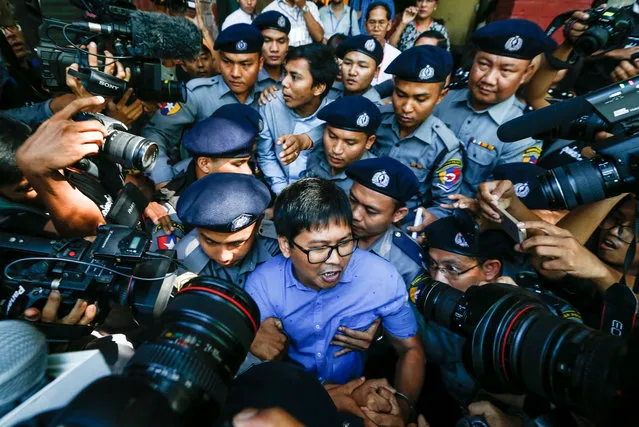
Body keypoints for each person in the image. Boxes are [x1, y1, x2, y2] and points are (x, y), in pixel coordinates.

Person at [245, 177, 425, 421]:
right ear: (286, 246)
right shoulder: (262, 286)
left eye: (344, 243)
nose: (335, 260)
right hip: (289, 404)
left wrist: (402, 410)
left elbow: (411, 349)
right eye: (318, 248)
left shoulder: (381, 278)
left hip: (359, 398)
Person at [434, 19, 556, 197]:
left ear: (526, 73)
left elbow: (502, 198)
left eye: (506, 70)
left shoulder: (522, 132)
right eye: (483, 64)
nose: (489, 79)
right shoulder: (442, 99)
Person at [142, 24, 269, 186]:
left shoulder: (270, 95)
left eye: (245, 64)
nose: (235, 73)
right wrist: (162, 178)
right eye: (227, 62)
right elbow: (156, 133)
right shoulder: (197, 94)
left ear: (260, 63)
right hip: (203, 186)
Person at [372, 45, 463, 227]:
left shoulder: (445, 147)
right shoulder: (376, 120)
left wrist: (428, 219)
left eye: (420, 99)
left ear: (440, 96)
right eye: (401, 95)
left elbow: (445, 205)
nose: (407, 107)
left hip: (402, 226)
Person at [9, 96, 120, 238]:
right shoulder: (18, 222)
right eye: (27, 187)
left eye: (52, 168)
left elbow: (135, 185)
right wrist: (40, 174)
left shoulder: (72, 167)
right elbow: (93, 232)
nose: (39, 187)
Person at [145, 113, 257, 250]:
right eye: (237, 164)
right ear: (204, 164)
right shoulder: (172, 213)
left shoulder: (243, 186)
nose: (248, 172)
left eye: (247, 162)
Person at [257, 43, 338, 195]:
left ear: (319, 87)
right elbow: (266, 155)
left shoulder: (335, 115)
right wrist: (283, 192)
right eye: (285, 73)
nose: (284, 82)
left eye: (295, 77)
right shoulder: (271, 104)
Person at [175, 172, 279, 287]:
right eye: (210, 242)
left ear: (258, 223)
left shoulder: (280, 245)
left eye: (236, 243)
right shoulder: (184, 259)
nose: (224, 257)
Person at [346, 157, 425, 287]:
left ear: (398, 214)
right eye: (352, 200)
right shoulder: (328, 227)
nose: (355, 215)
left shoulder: (407, 263)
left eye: (371, 211)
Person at [302, 95, 379, 193]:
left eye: (350, 143)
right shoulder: (316, 154)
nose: (336, 150)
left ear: (369, 142)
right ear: (324, 130)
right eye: (332, 137)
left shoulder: (373, 178)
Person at [328, 34, 383, 102]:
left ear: (376, 72)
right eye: (347, 63)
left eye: (362, 66)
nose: (352, 72)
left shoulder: (376, 108)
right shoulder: (329, 91)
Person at [364, 2, 401, 85]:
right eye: (372, 22)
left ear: (389, 25)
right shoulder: (356, 52)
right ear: (365, 25)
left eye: (381, 22)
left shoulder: (396, 56)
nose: (376, 28)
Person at [253, 11, 291, 86]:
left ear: (287, 44)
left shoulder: (294, 77)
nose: (274, 49)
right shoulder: (250, 79)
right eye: (267, 41)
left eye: (281, 41)